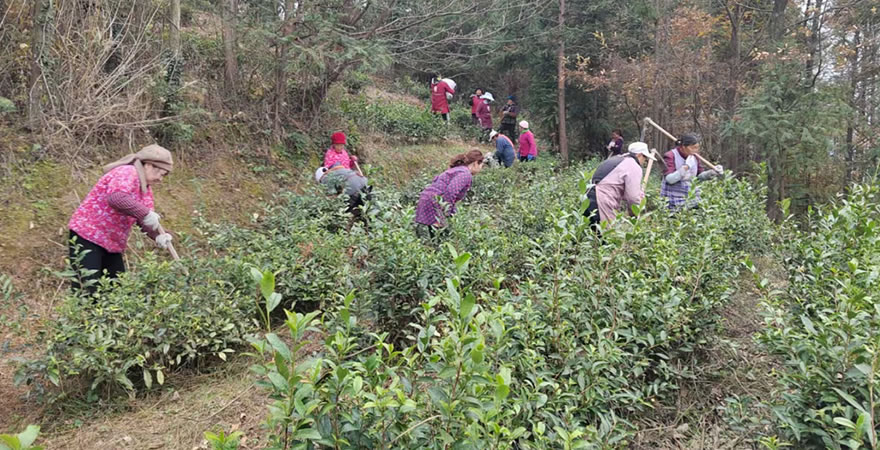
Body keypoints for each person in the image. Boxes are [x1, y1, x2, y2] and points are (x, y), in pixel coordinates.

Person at [67, 145, 174, 292]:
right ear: (149, 165)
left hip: (111, 243)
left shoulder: (145, 190)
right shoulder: (127, 172)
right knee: (87, 287)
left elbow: (145, 220)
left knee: (116, 289)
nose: (160, 179)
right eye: (161, 174)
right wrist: (145, 213)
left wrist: (158, 235)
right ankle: (83, 314)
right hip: (88, 236)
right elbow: (116, 198)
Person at [584, 142, 655, 230]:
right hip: (602, 201)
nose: (645, 161)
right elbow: (632, 197)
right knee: (606, 237)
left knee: (590, 233)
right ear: (639, 155)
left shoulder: (618, 159)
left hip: (587, 197)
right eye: (645, 157)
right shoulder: (633, 166)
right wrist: (636, 214)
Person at [414, 149, 484, 237]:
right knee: (441, 236)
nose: (481, 168)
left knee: (435, 234)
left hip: (428, 198)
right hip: (436, 201)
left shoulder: (458, 169)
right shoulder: (465, 174)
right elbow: (451, 192)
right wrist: (446, 212)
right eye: (481, 165)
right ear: (476, 163)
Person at [660, 133, 723, 210]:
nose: (695, 150)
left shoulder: (695, 157)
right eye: (693, 148)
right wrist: (686, 167)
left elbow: (699, 176)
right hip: (673, 198)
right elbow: (670, 180)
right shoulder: (670, 156)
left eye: (697, 148)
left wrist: (712, 173)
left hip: (690, 196)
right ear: (683, 147)